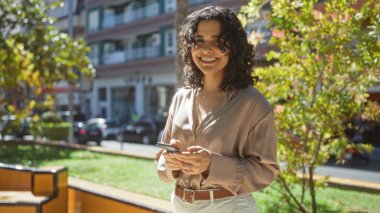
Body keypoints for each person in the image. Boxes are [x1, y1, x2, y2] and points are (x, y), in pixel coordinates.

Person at [156, 6, 279, 213]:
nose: (207, 49)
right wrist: (171, 162)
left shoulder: (253, 103)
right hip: (179, 204)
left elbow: (266, 170)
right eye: (199, 40)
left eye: (218, 41)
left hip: (227, 206)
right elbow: (161, 160)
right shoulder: (181, 98)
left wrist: (212, 165)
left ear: (234, 47)